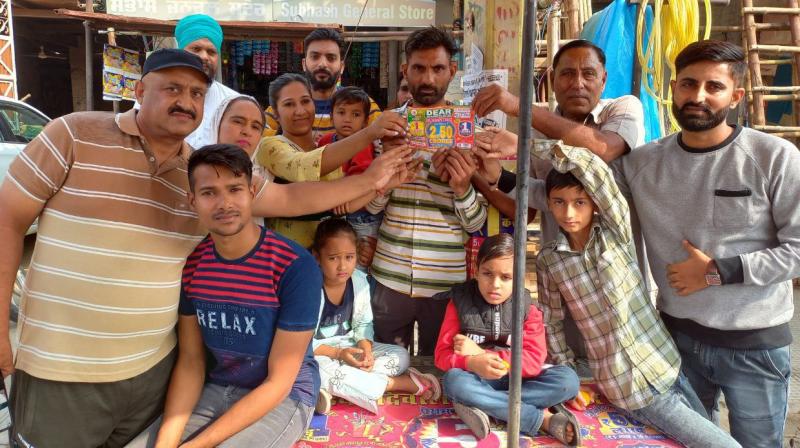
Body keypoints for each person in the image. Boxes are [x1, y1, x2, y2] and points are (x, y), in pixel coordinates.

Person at [0, 49, 408, 448]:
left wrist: (373, 178)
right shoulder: (73, 134)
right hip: (60, 372)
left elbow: (296, 197)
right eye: (172, 89)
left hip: (150, 377)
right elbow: (7, 221)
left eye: (197, 93)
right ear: (140, 91)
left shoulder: (199, 172)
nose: (186, 101)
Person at [614, 40, 800, 448]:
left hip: (754, 345)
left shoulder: (774, 157)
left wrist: (717, 271)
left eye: (713, 87)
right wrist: (497, 175)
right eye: (688, 84)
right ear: (674, 89)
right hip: (676, 341)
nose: (697, 96)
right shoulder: (643, 163)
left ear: (735, 95)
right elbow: (576, 194)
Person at [534, 141, 740, 447]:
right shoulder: (550, 260)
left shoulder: (615, 234)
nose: (568, 212)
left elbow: (600, 176)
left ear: (594, 204)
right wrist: (568, 379)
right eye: (559, 202)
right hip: (628, 387)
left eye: (580, 202)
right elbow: (551, 321)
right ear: (549, 204)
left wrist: (536, 146)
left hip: (666, 364)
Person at [128, 144, 322, 447]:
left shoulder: (295, 267)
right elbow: (192, 362)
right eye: (209, 193)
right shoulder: (193, 264)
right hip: (218, 386)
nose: (224, 203)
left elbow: (279, 382)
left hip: (286, 396)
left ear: (252, 191)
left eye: (234, 189)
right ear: (193, 201)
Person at [471, 39, 648, 369]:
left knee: (629, 376)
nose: (578, 83)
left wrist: (519, 114)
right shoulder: (539, 128)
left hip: (619, 278)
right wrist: (492, 176)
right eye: (567, 74)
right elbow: (541, 197)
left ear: (604, 78)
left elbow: (602, 150)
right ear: (552, 78)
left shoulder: (623, 108)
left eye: (588, 74)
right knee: (570, 375)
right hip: (564, 279)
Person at [368, 27, 487, 356]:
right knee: (385, 371)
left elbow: (477, 225)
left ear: (452, 71)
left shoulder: (470, 130)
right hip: (389, 276)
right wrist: (386, 176)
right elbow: (372, 209)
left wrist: (462, 188)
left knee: (440, 370)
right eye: (419, 68)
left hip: (445, 282)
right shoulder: (387, 128)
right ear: (405, 70)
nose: (428, 79)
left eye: (437, 68)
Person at [435, 234, 581, 445]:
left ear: (519, 276)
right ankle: (540, 419)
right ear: (476, 271)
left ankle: (484, 406)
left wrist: (479, 354)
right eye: (487, 274)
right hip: (476, 379)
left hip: (519, 380)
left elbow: (532, 362)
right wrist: (471, 363)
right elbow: (441, 356)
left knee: (568, 380)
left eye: (506, 277)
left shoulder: (527, 308)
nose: (495, 285)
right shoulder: (459, 302)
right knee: (454, 382)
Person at [256, 73, 408, 248]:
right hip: (291, 260)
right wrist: (370, 132)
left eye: (305, 101)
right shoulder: (270, 146)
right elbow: (302, 167)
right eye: (289, 104)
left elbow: (347, 205)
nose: (300, 111)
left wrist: (389, 181)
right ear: (275, 113)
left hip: (333, 262)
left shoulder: (324, 147)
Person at [310, 218, 440, 415]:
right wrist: (337, 354)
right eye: (333, 258)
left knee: (401, 356)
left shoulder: (359, 281)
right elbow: (303, 342)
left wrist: (366, 350)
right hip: (321, 354)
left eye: (349, 257)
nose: (342, 266)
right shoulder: (310, 288)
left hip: (350, 347)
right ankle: (395, 383)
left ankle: (336, 388)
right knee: (311, 369)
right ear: (317, 257)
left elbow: (363, 324)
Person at [264, 28, 381, 142]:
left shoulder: (362, 105)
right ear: (304, 64)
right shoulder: (284, 106)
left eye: (331, 58)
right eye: (315, 57)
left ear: (342, 66)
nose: (322, 64)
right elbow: (259, 143)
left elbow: (382, 146)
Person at [319, 87, 384, 269]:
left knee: (358, 264)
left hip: (361, 216)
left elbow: (360, 177)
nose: (347, 119)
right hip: (336, 210)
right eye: (341, 112)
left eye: (355, 114)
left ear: (365, 123)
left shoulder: (362, 145)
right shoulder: (325, 142)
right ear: (331, 116)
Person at [175, 13, 239, 149]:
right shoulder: (157, 95)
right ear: (180, 52)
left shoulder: (233, 101)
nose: (204, 56)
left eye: (211, 52)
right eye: (196, 49)